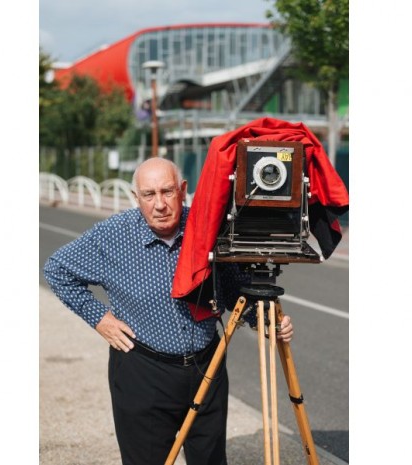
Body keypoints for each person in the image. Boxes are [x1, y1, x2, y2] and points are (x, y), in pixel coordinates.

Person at [43, 157, 294, 465]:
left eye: (167, 192)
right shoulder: (113, 235)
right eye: (149, 195)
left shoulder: (207, 228)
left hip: (207, 367)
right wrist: (100, 319)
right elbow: (56, 269)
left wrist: (265, 320)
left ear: (183, 190)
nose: (159, 204)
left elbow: (234, 288)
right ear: (137, 198)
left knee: (210, 460)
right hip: (143, 371)